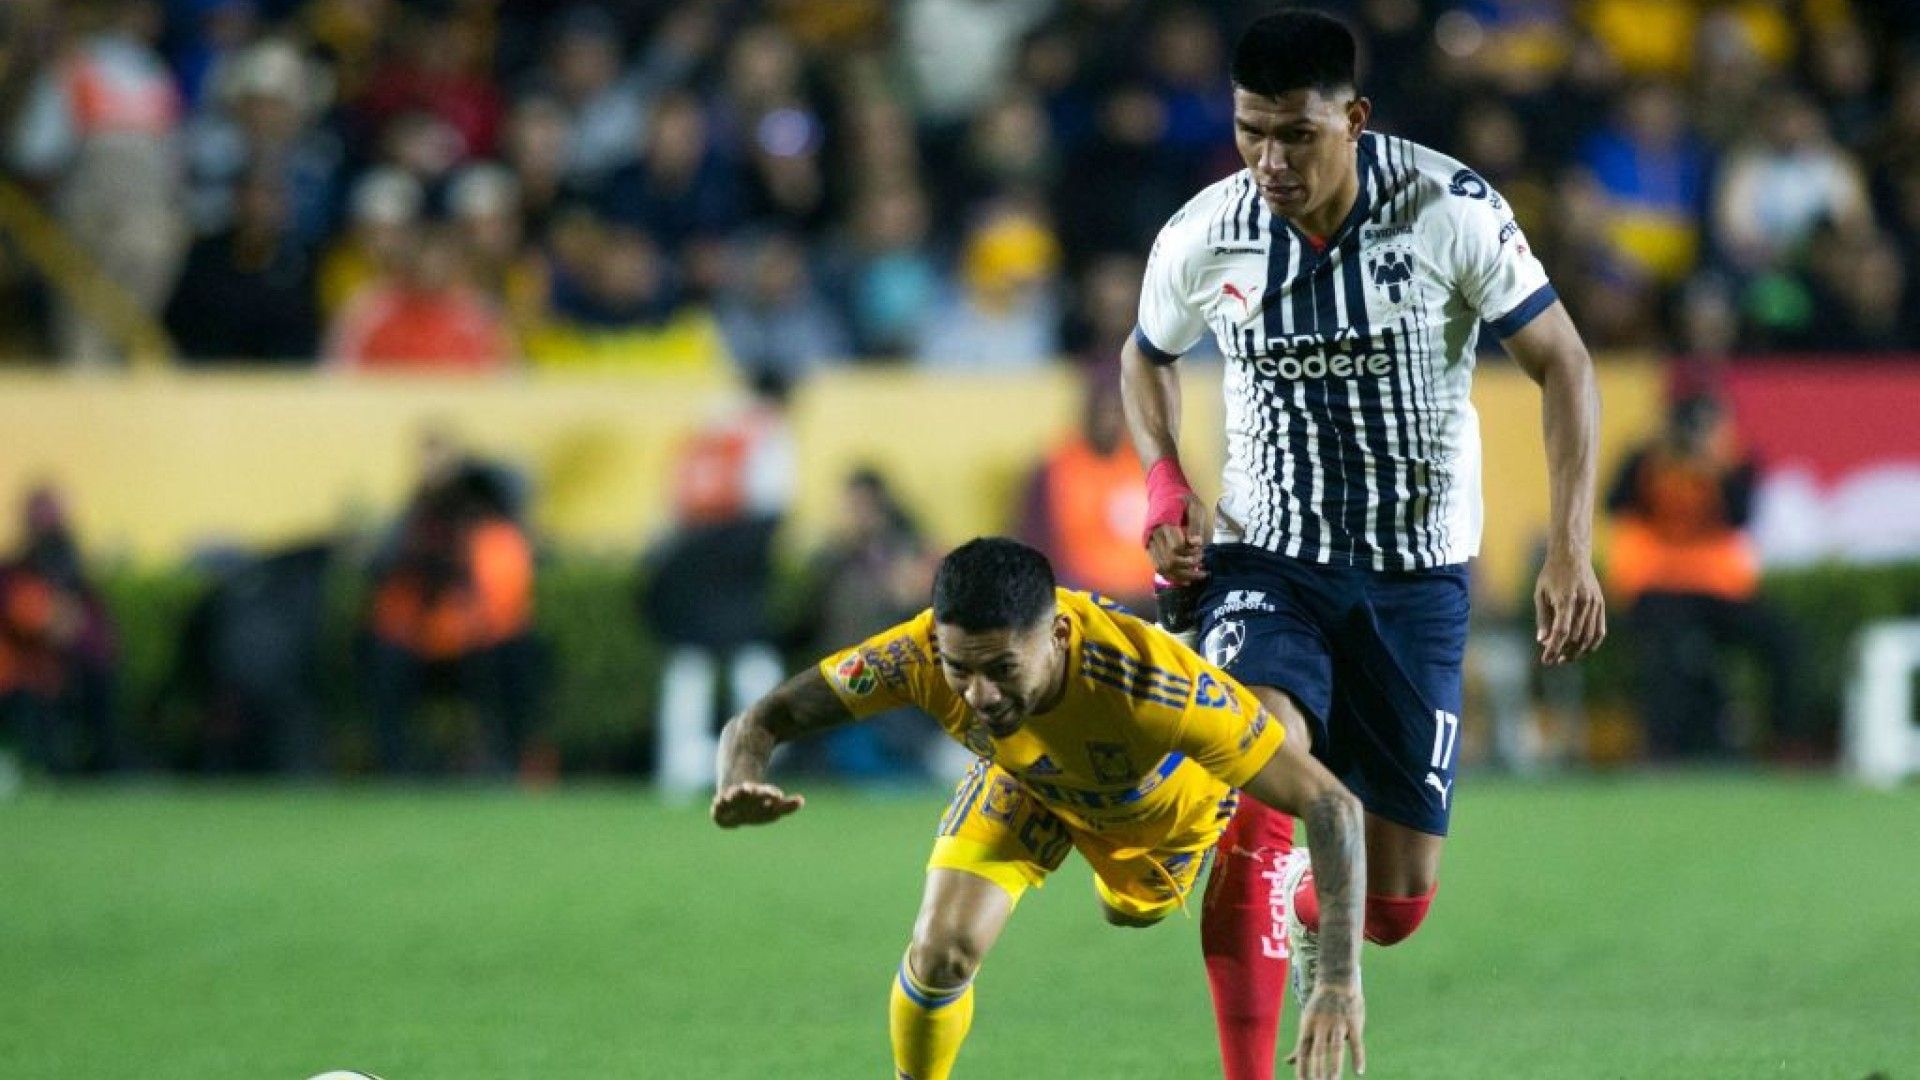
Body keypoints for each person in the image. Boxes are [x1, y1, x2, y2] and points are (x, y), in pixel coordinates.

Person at [1118, 13, 1606, 1080]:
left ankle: (1317, 906)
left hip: (1416, 575)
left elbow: (1564, 363)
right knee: (1262, 789)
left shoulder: (1450, 209)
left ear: (1356, 116)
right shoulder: (1208, 231)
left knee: (1393, 906)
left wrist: (1570, 545)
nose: (1271, 161)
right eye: (1251, 132)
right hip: (1265, 560)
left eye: (1296, 134)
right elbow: (1145, 357)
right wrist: (1166, 477)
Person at [713, 538, 1368, 1080]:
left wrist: (1338, 981)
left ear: (1056, 634)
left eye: (1000, 668)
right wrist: (738, 776)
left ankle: (1299, 890)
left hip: (1153, 813)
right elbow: (763, 719)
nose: (978, 695)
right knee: (942, 949)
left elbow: (1331, 805)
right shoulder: (915, 656)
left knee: (1130, 914)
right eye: (958, 668)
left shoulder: (1158, 688)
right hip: (1025, 781)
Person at [1606, 394, 1804, 760]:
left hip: (1717, 589)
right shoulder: (1648, 459)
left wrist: (1714, 467)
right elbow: (1614, 502)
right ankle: (1663, 750)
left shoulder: (1734, 462)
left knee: (1783, 642)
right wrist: (1660, 459)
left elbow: (1740, 516)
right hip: (1659, 584)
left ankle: (1785, 741)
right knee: (1667, 654)